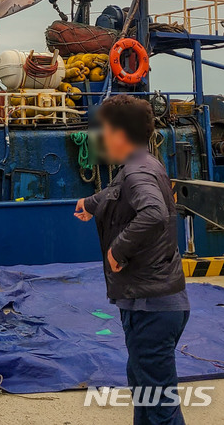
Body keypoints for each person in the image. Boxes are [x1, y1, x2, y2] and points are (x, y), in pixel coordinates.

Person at [75, 94, 189, 425]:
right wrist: (91, 202)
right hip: (153, 303)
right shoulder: (144, 163)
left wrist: (117, 249)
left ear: (120, 135)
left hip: (152, 307)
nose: (102, 137)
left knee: (158, 406)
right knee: (146, 391)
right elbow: (118, 192)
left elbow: (153, 212)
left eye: (105, 130)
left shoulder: (137, 172)